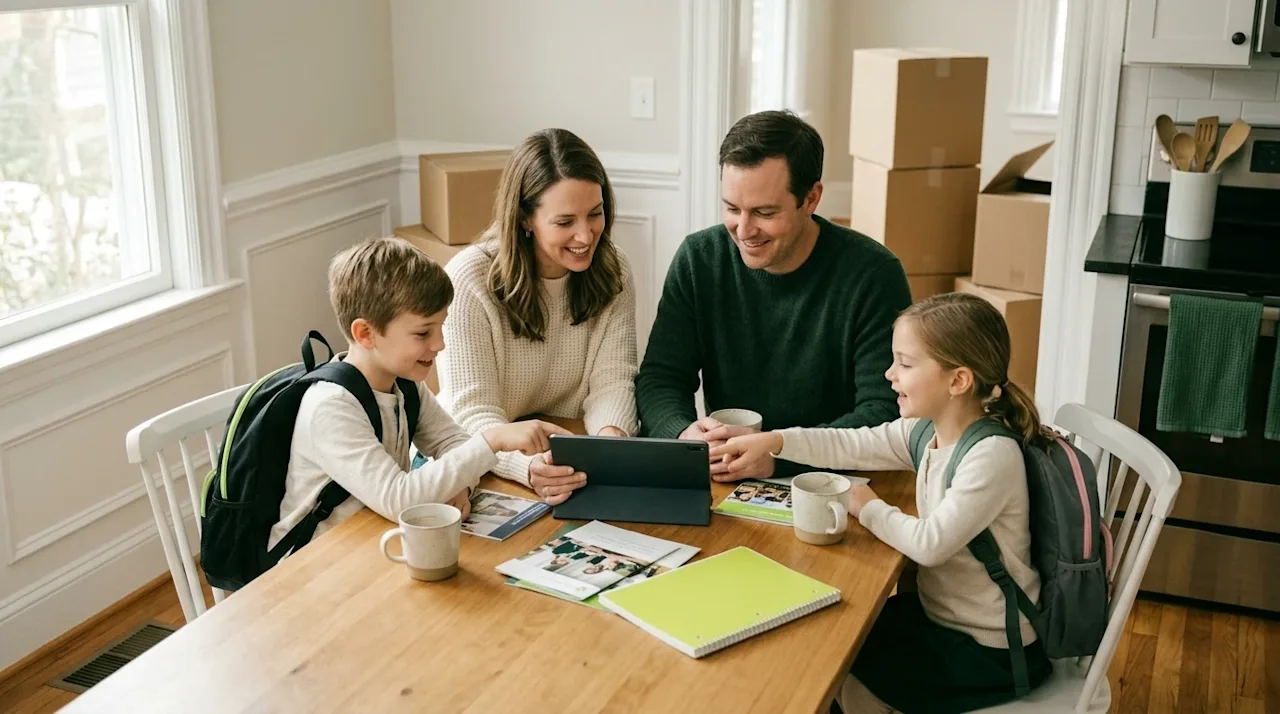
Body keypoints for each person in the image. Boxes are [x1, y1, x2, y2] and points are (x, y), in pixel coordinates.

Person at [711, 293, 1053, 713]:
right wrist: (775, 440)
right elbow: (850, 444)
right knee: (835, 634)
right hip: (939, 619)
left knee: (844, 664)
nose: (890, 374)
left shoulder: (991, 455)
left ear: (958, 380)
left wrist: (865, 504)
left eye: (905, 364)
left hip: (991, 649)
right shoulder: (926, 431)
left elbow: (930, 543)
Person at [635, 110, 911, 481]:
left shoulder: (874, 275)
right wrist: (684, 434)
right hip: (728, 480)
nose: (744, 230)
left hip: (836, 480)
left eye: (764, 212)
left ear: (811, 198)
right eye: (732, 209)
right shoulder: (699, 258)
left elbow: (884, 411)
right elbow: (660, 378)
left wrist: (779, 452)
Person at [267, 237, 568, 552]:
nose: (439, 344)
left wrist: (459, 486)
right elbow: (400, 499)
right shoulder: (332, 408)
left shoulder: (403, 384)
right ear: (365, 334)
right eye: (423, 333)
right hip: (313, 568)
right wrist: (493, 440)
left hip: (371, 542)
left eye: (441, 327)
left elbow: (455, 445)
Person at [438, 128, 638, 505]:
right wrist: (525, 468)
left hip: (573, 454)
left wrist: (610, 443)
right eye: (565, 223)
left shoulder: (614, 270)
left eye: (595, 214)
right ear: (526, 219)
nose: (585, 235)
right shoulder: (469, 279)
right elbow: (470, 411)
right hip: (487, 462)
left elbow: (613, 379)